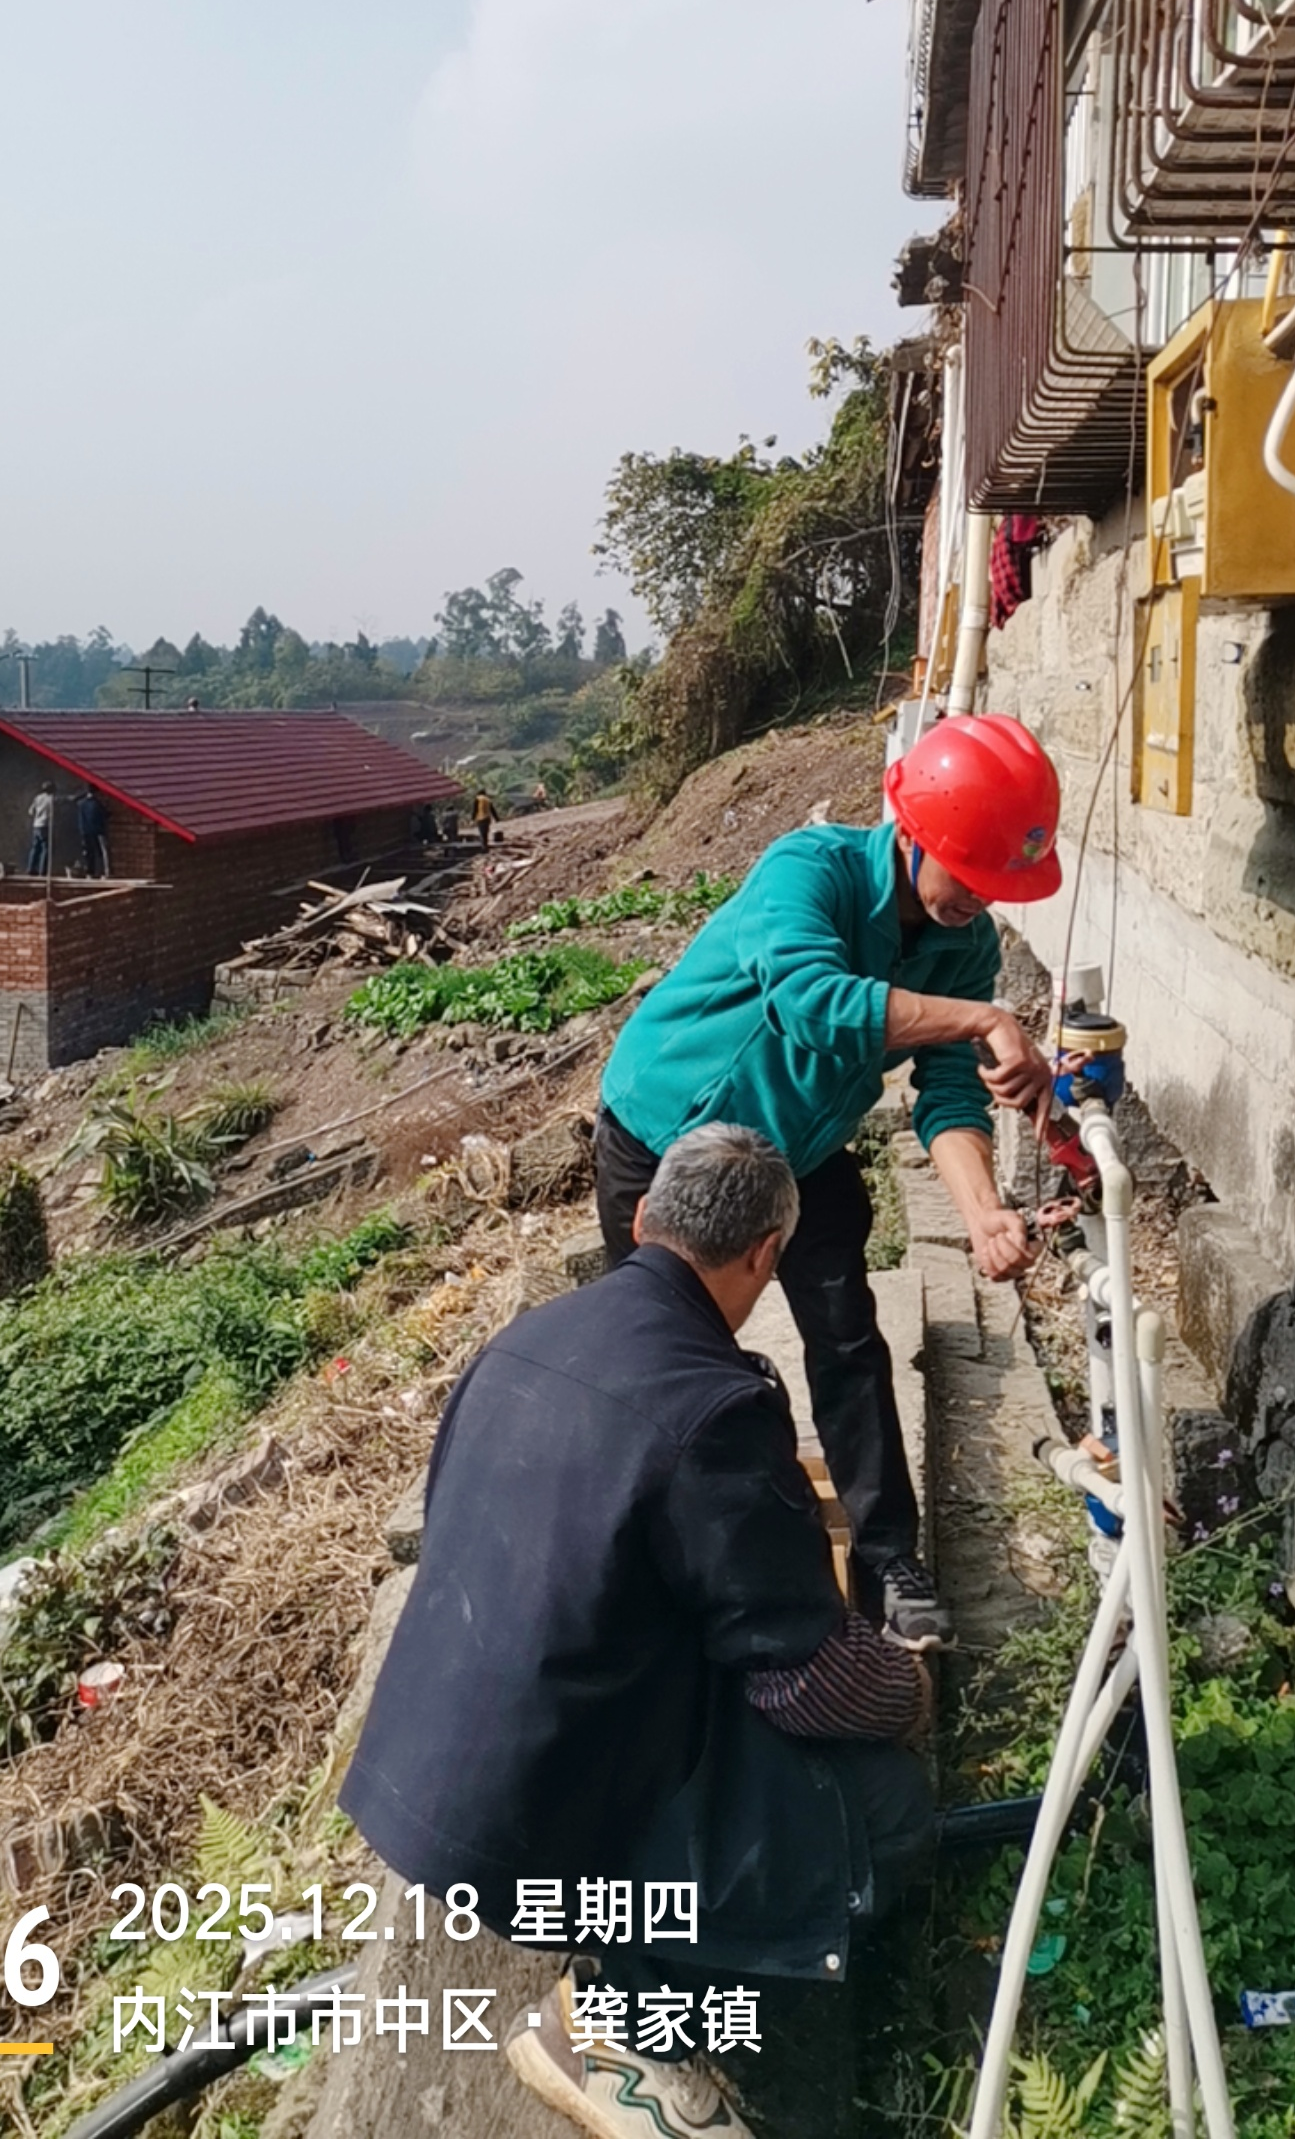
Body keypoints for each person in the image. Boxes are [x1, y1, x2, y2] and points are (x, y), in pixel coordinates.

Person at [341, 1124, 935, 2139]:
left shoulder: (525, 1338)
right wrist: (906, 1690)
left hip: (421, 1782)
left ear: (645, 1217)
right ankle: (616, 2027)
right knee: (883, 1819)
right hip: (535, 1825)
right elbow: (802, 1673)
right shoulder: (714, 1408)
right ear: (765, 1255)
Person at [593, 712, 1062, 1646]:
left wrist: (983, 1213)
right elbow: (811, 1003)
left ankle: (887, 1562)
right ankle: (646, 1562)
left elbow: (948, 1096)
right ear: (915, 832)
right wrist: (982, 1019)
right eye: (968, 871)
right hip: (668, 1138)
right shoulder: (809, 870)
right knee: (661, 1355)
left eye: (995, 883)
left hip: (798, 1153)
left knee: (848, 1340)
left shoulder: (964, 944)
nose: (979, 899)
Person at [76, 784, 111, 877]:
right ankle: (104, 872)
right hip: (98, 831)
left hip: (86, 831)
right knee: (101, 852)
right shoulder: (97, 804)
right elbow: (106, 814)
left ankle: (90, 872)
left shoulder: (81, 804)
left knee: (89, 852)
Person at [24, 783, 55, 875]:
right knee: (45, 848)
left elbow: (30, 811)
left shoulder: (38, 798)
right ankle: (43, 870)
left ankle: (31, 868)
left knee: (35, 847)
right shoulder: (51, 798)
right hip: (45, 825)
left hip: (36, 825)